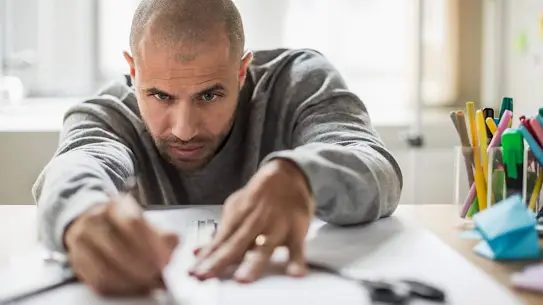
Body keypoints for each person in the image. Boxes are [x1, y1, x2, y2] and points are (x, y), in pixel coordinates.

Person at [33, 0, 403, 296]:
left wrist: (302, 174)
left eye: (210, 94)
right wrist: (81, 214)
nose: (183, 129)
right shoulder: (109, 114)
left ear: (242, 72)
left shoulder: (299, 80)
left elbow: (376, 166)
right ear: (133, 70)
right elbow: (75, 165)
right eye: (159, 95)